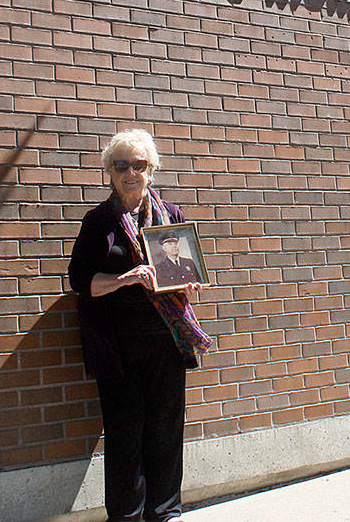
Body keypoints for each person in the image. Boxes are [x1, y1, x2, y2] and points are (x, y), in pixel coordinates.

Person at [67, 129, 212, 522]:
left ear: (152, 170)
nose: (130, 172)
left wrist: (189, 280)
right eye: (121, 165)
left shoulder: (172, 217)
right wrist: (125, 278)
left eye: (139, 164)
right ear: (109, 173)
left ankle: (165, 511)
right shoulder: (99, 222)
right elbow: (81, 282)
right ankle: (127, 516)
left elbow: (184, 270)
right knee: (125, 433)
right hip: (117, 344)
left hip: (167, 339)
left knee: (166, 427)